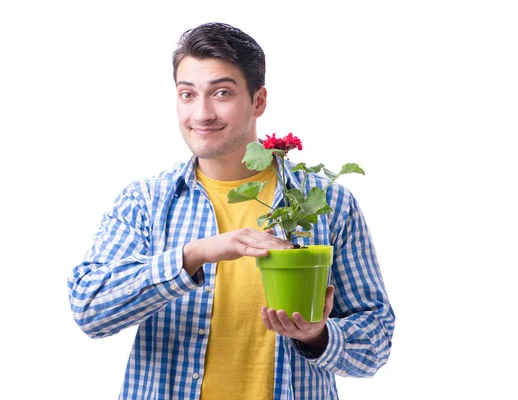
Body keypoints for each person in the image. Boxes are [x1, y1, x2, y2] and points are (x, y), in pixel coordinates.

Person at [67, 22, 395, 399]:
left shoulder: (328, 204)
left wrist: (318, 336)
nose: (202, 113)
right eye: (187, 94)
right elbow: (89, 308)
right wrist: (195, 255)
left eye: (221, 93)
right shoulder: (146, 201)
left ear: (258, 101)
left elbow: (377, 340)